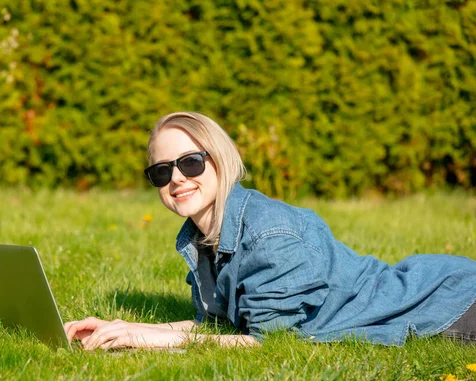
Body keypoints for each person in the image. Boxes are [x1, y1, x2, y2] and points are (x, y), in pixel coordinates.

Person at [64, 111, 476, 350]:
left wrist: (149, 338)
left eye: (191, 162)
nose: (177, 178)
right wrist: (119, 327)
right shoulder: (201, 239)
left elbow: (263, 343)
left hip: (447, 304)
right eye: (161, 171)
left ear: (220, 160)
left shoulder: (270, 235)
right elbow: (223, 327)